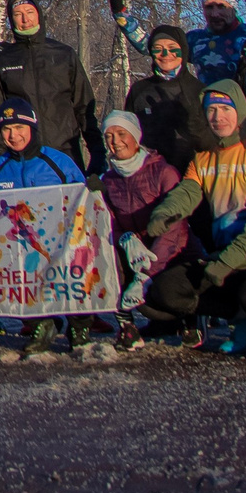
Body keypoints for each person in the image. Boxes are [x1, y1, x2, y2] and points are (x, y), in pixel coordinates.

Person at [134, 80, 246, 353]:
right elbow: (187, 192)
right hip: (223, 256)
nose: (217, 117)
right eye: (211, 110)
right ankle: (241, 316)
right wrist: (165, 212)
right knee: (162, 292)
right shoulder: (203, 159)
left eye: (225, 109)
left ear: (239, 112)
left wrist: (228, 259)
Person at [0, 97, 89, 356]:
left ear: (32, 128)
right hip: (22, 246)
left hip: (63, 241)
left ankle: (79, 325)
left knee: (77, 265)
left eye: (19, 128)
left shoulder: (58, 163)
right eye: (6, 129)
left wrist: (93, 189)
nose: (13, 135)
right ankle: (42, 324)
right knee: (19, 269)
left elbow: (84, 201)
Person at [98, 110, 186, 352]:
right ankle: (127, 327)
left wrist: (146, 273)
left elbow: (173, 229)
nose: (115, 141)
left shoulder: (164, 172)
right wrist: (124, 238)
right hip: (133, 252)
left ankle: (188, 318)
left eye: (121, 133)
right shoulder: (109, 180)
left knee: (162, 294)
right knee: (105, 258)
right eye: (109, 136)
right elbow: (108, 224)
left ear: (136, 137)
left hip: (170, 252)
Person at [0, 0, 99, 170]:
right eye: (17, 14)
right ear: (11, 19)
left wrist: (98, 153)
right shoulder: (3, 61)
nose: (25, 19)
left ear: (38, 14)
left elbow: (84, 107)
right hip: (22, 159)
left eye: (29, 12)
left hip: (65, 153)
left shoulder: (63, 54)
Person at [117, 0, 246, 85]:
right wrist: (121, 15)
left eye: (221, 7)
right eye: (209, 7)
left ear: (233, 8)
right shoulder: (196, 40)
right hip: (209, 110)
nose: (215, 14)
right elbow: (151, 46)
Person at [126, 21, 206, 173]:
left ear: (183, 50)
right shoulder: (139, 90)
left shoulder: (199, 90)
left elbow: (209, 141)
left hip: (192, 176)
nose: (165, 55)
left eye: (172, 49)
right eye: (158, 49)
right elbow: (129, 135)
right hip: (149, 175)